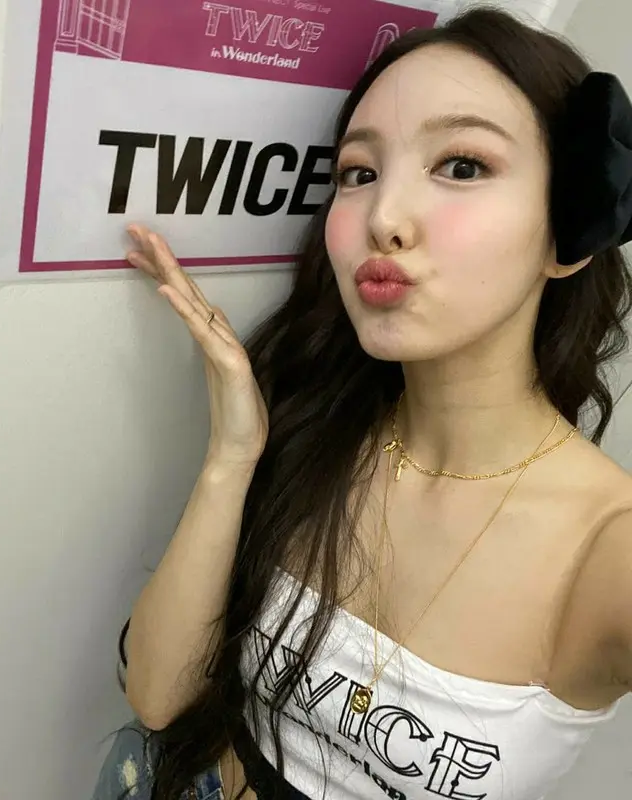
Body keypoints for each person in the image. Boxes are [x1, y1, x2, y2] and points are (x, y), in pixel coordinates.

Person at [92, 7, 632, 800]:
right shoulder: (323, 425)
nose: (383, 218)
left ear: (569, 227)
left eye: (462, 165)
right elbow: (158, 696)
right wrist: (234, 455)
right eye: (358, 172)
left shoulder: (610, 549)